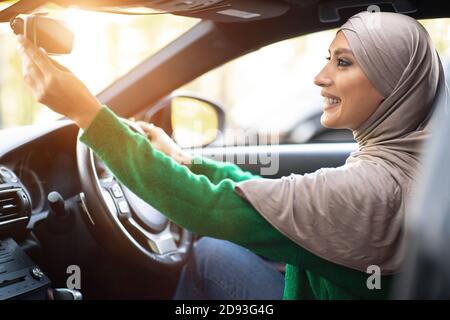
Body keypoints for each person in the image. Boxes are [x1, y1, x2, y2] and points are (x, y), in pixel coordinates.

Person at [15, 10, 443, 300]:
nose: (320, 76)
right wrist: (185, 161)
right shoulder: (419, 163)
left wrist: (86, 112)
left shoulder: (369, 189)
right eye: (327, 59)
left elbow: (204, 207)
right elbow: (276, 197)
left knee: (208, 255)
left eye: (344, 63)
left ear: (391, 82)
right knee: (218, 253)